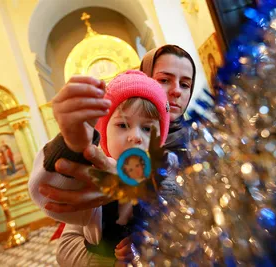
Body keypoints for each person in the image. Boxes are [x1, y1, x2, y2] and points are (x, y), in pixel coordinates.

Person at [31, 45, 196, 266]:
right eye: (164, 80)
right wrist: (72, 145)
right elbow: (58, 214)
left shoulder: (201, 144)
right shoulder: (101, 163)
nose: (176, 91)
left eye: (185, 84)